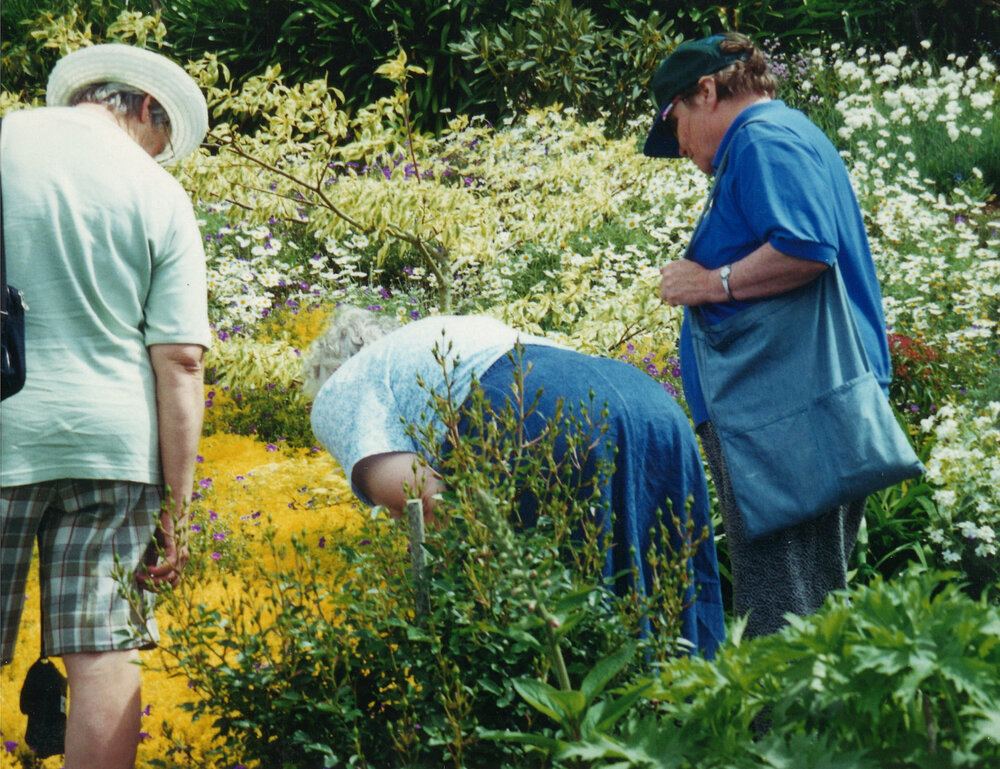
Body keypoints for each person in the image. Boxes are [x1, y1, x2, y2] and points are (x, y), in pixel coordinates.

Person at [642, 33, 894, 639]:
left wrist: (708, 284)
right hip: (796, 407)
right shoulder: (784, 134)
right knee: (808, 604)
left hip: (788, 412)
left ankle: (779, 736)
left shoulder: (761, 138)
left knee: (783, 617)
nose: (682, 151)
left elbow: (805, 247)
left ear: (705, 93)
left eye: (674, 125)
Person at [1, 44, 211, 768]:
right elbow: (182, 360)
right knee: (104, 650)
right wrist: (177, 516)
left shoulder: (5, 141)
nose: (160, 153)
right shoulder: (159, 194)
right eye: (162, 138)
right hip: (114, 451)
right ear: (146, 108)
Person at [303, 307, 726, 658]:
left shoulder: (344, 385)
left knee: (562, 635)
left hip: (541, 415)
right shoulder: (448, 335)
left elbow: (422, 499)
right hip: (648, 402)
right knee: (669, 598)